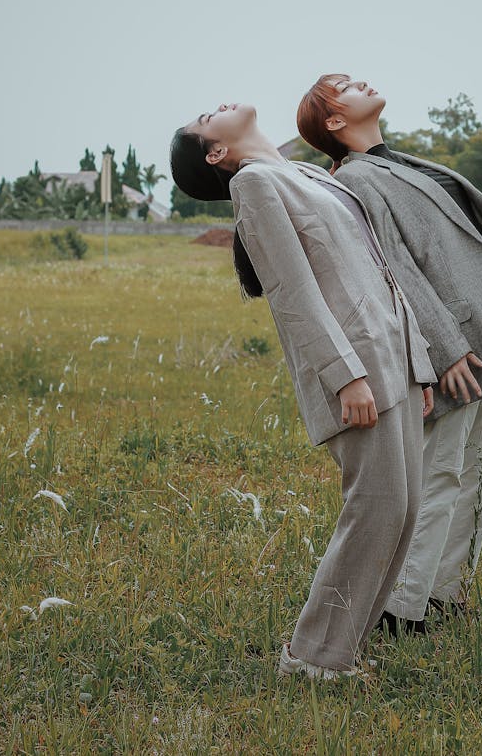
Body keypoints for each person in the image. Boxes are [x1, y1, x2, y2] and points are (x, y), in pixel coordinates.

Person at [170, 101, 435, 678]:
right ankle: (315, 658)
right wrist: (345, 375)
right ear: (216, 154)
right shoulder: (255, 183)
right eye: (204, 119)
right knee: (376, 509)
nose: (215, 107)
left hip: (395, 355)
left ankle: (343, 649)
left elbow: (377, 268)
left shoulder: (309, 172)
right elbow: (292, 292)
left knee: (405, 511)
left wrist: (419, 360)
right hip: (356, 366)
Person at [297, 76, 482, 631]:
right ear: (333, 122)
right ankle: (402, 608)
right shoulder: (355, 180)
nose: (360, 81)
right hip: (456, 346)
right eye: (344, 86)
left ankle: (446, 594)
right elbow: (391, 264)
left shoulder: (402, 162)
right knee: (440, 471)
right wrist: (443, 348)